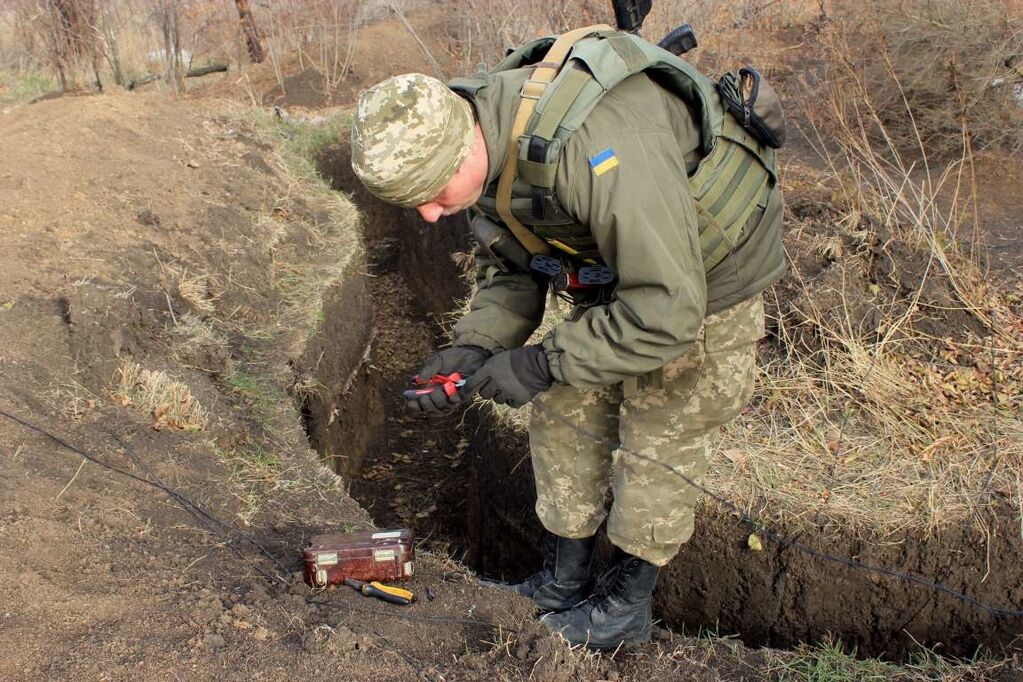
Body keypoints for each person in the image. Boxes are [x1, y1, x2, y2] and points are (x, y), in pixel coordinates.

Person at [348, 26, 785, 650]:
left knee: (659, 432)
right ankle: (564, 579)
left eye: (432, 194)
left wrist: (541, 362)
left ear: (464, 145)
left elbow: (667, 309)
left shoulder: (596, 148)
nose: (429, 214)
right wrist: (477, 345)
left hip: (702, 284)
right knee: (563, 410)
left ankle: (624, 608)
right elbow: (514, 262)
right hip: (619, 268)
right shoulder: (481, 140)